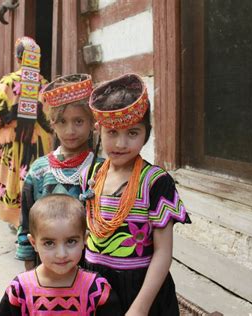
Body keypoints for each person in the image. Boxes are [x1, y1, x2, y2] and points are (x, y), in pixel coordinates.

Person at [79, 74, 191, 315]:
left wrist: (140, 307)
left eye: (132, 133)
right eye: (112, 133)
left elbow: (163, 252)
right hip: (94, 288)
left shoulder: (156, 182)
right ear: (99, 131)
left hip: (141, 290)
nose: (121, 143)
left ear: (146, 134)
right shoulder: (90, 175)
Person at [15, 74, 95, 270]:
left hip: (89, 269)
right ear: (52, 123)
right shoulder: (39, 171)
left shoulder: (100, 169)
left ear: (93, 122)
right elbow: (27, 220)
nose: (70, 130)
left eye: (79, 121)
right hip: (47, 267)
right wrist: (29, 271)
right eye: (62, 121)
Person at [0, 194, 121, 315]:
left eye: (71, 241)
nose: (61, 254)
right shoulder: (19, 290)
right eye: (49, 243)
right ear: (33, 243)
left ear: (85, 240)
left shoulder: (97, 290)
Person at [0, 36, 52, 224]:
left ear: (18, 59)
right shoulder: (44, 85)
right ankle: (35, 220)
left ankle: (17, 221)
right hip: (38, 142)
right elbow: (50, 119)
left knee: (12, 181)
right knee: (35, 179)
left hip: (12, 142)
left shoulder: (8, 82)